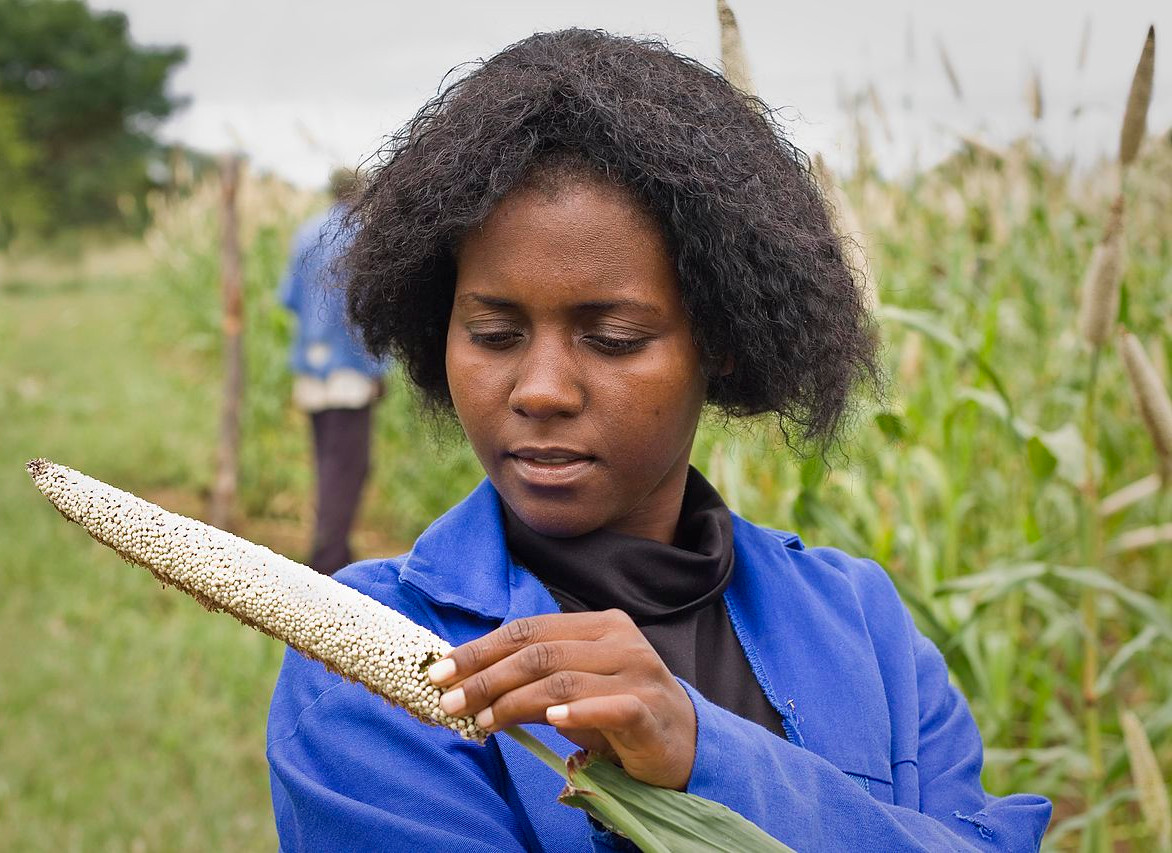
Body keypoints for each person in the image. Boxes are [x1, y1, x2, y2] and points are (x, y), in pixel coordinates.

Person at [267, 30, 1052, 851]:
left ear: (721, 341)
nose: (539, 389)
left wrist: (706, 758)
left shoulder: (863, 624)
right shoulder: (371, 659)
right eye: (494, 333)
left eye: (611, 337)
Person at [278, 168, 386, 575]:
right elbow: (369, 310)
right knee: (348, 467)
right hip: (349, 369)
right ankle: (328, 563)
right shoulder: (362, 236)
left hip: (310, 367)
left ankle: (332, 549)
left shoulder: (307, 233)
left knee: (327, 464)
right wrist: (378, 367)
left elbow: (288, 298)